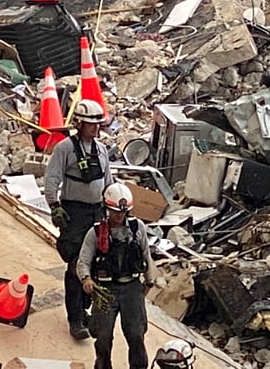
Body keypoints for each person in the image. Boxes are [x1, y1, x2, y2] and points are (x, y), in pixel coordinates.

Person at [44, 99, 112, 340]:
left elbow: (108, 182)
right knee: (75, 265)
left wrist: (111, 209)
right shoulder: (65, 149)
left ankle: (84, 311)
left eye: (98, 124)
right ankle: (75, 319)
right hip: (75, 214)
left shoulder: (101, 150)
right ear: (79, 124)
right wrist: (54, 205)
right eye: (91, 124)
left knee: (92, 264)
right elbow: (52, 178)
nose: (96, 128)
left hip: (97, 212)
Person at [77, 183, 156, 369]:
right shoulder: (96, 233)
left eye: (122, 212)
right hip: (105, 290)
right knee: (103, 336)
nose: (119, 216)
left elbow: (146, 255)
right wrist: (86, 279)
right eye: (115, 212)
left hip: (132, 287)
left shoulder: (137, 228)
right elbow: (83, 261)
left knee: (136, 334)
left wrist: (149, 280)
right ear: (107, 209)